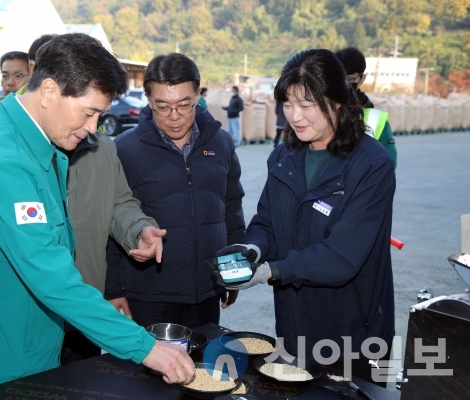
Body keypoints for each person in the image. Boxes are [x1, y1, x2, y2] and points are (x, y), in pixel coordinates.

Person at [0, 34, 195, 392]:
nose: (92, 126)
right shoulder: (5, 161)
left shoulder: (34, 140)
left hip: (29, 339)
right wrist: (146, 348)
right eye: (88, 112)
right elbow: (51, 276)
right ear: (49, 91)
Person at [214, 49, 395, 387]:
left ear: (338, 101)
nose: (295, 116)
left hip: (353, 330)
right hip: (295, 320)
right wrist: (254, 250)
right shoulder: (284, 157)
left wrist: (272, 271)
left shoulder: (371, 165)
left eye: (307, 104)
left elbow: (342, 256)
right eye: (287, 104)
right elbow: (267, 222)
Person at [105, 53, 245, 330]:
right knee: (146, 373)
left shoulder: (221, 142)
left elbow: (232, 209)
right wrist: (114, 288)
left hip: (207, 289)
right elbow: (111, 219)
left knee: (203, 368)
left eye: (184, 105)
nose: (174, 117)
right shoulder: (124, 149)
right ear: (148, 101)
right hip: (148, 293)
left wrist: (234, 272)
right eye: (162, 107)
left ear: (197, 96)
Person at [335, 47, 397, 168]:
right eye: (339, 80)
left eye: (350, 79)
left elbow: (388, 164)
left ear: (362, 79)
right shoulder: (318, 112)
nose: (344, 85)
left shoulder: (376, 120)